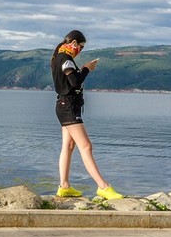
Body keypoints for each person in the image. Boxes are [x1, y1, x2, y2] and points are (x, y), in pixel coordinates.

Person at [50, 29, 124, 200]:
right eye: (81, 47)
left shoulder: (59, 57)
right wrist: (86, 69)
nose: (80, 51)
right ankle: (103, 187)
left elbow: (71, 80)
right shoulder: (65, 59)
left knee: (68, 147)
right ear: (74, 43)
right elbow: (75, 82)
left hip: (65, 105)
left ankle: (64, 186)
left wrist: (82, 69)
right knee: (86, 146)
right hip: (68, 107)